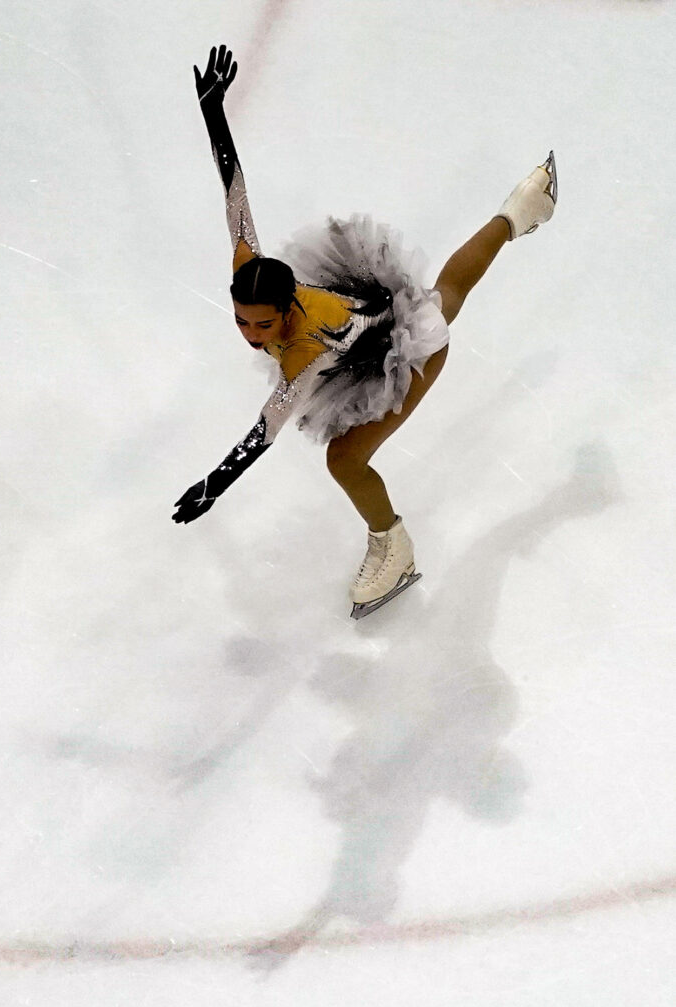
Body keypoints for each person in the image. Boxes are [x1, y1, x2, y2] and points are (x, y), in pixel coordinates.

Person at [172, 44, 558, 618]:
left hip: (400, 350)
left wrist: (214, 483)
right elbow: (235, 192)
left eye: (262, 324)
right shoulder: (251, 270)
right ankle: (520, 209)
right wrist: (214, 113)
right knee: (445, 295)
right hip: (364, 315)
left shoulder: (302, 353)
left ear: (287, 310)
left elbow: (267, 428)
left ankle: (393, 545)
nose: (252, 334)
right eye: (241, 322)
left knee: (344, 460)